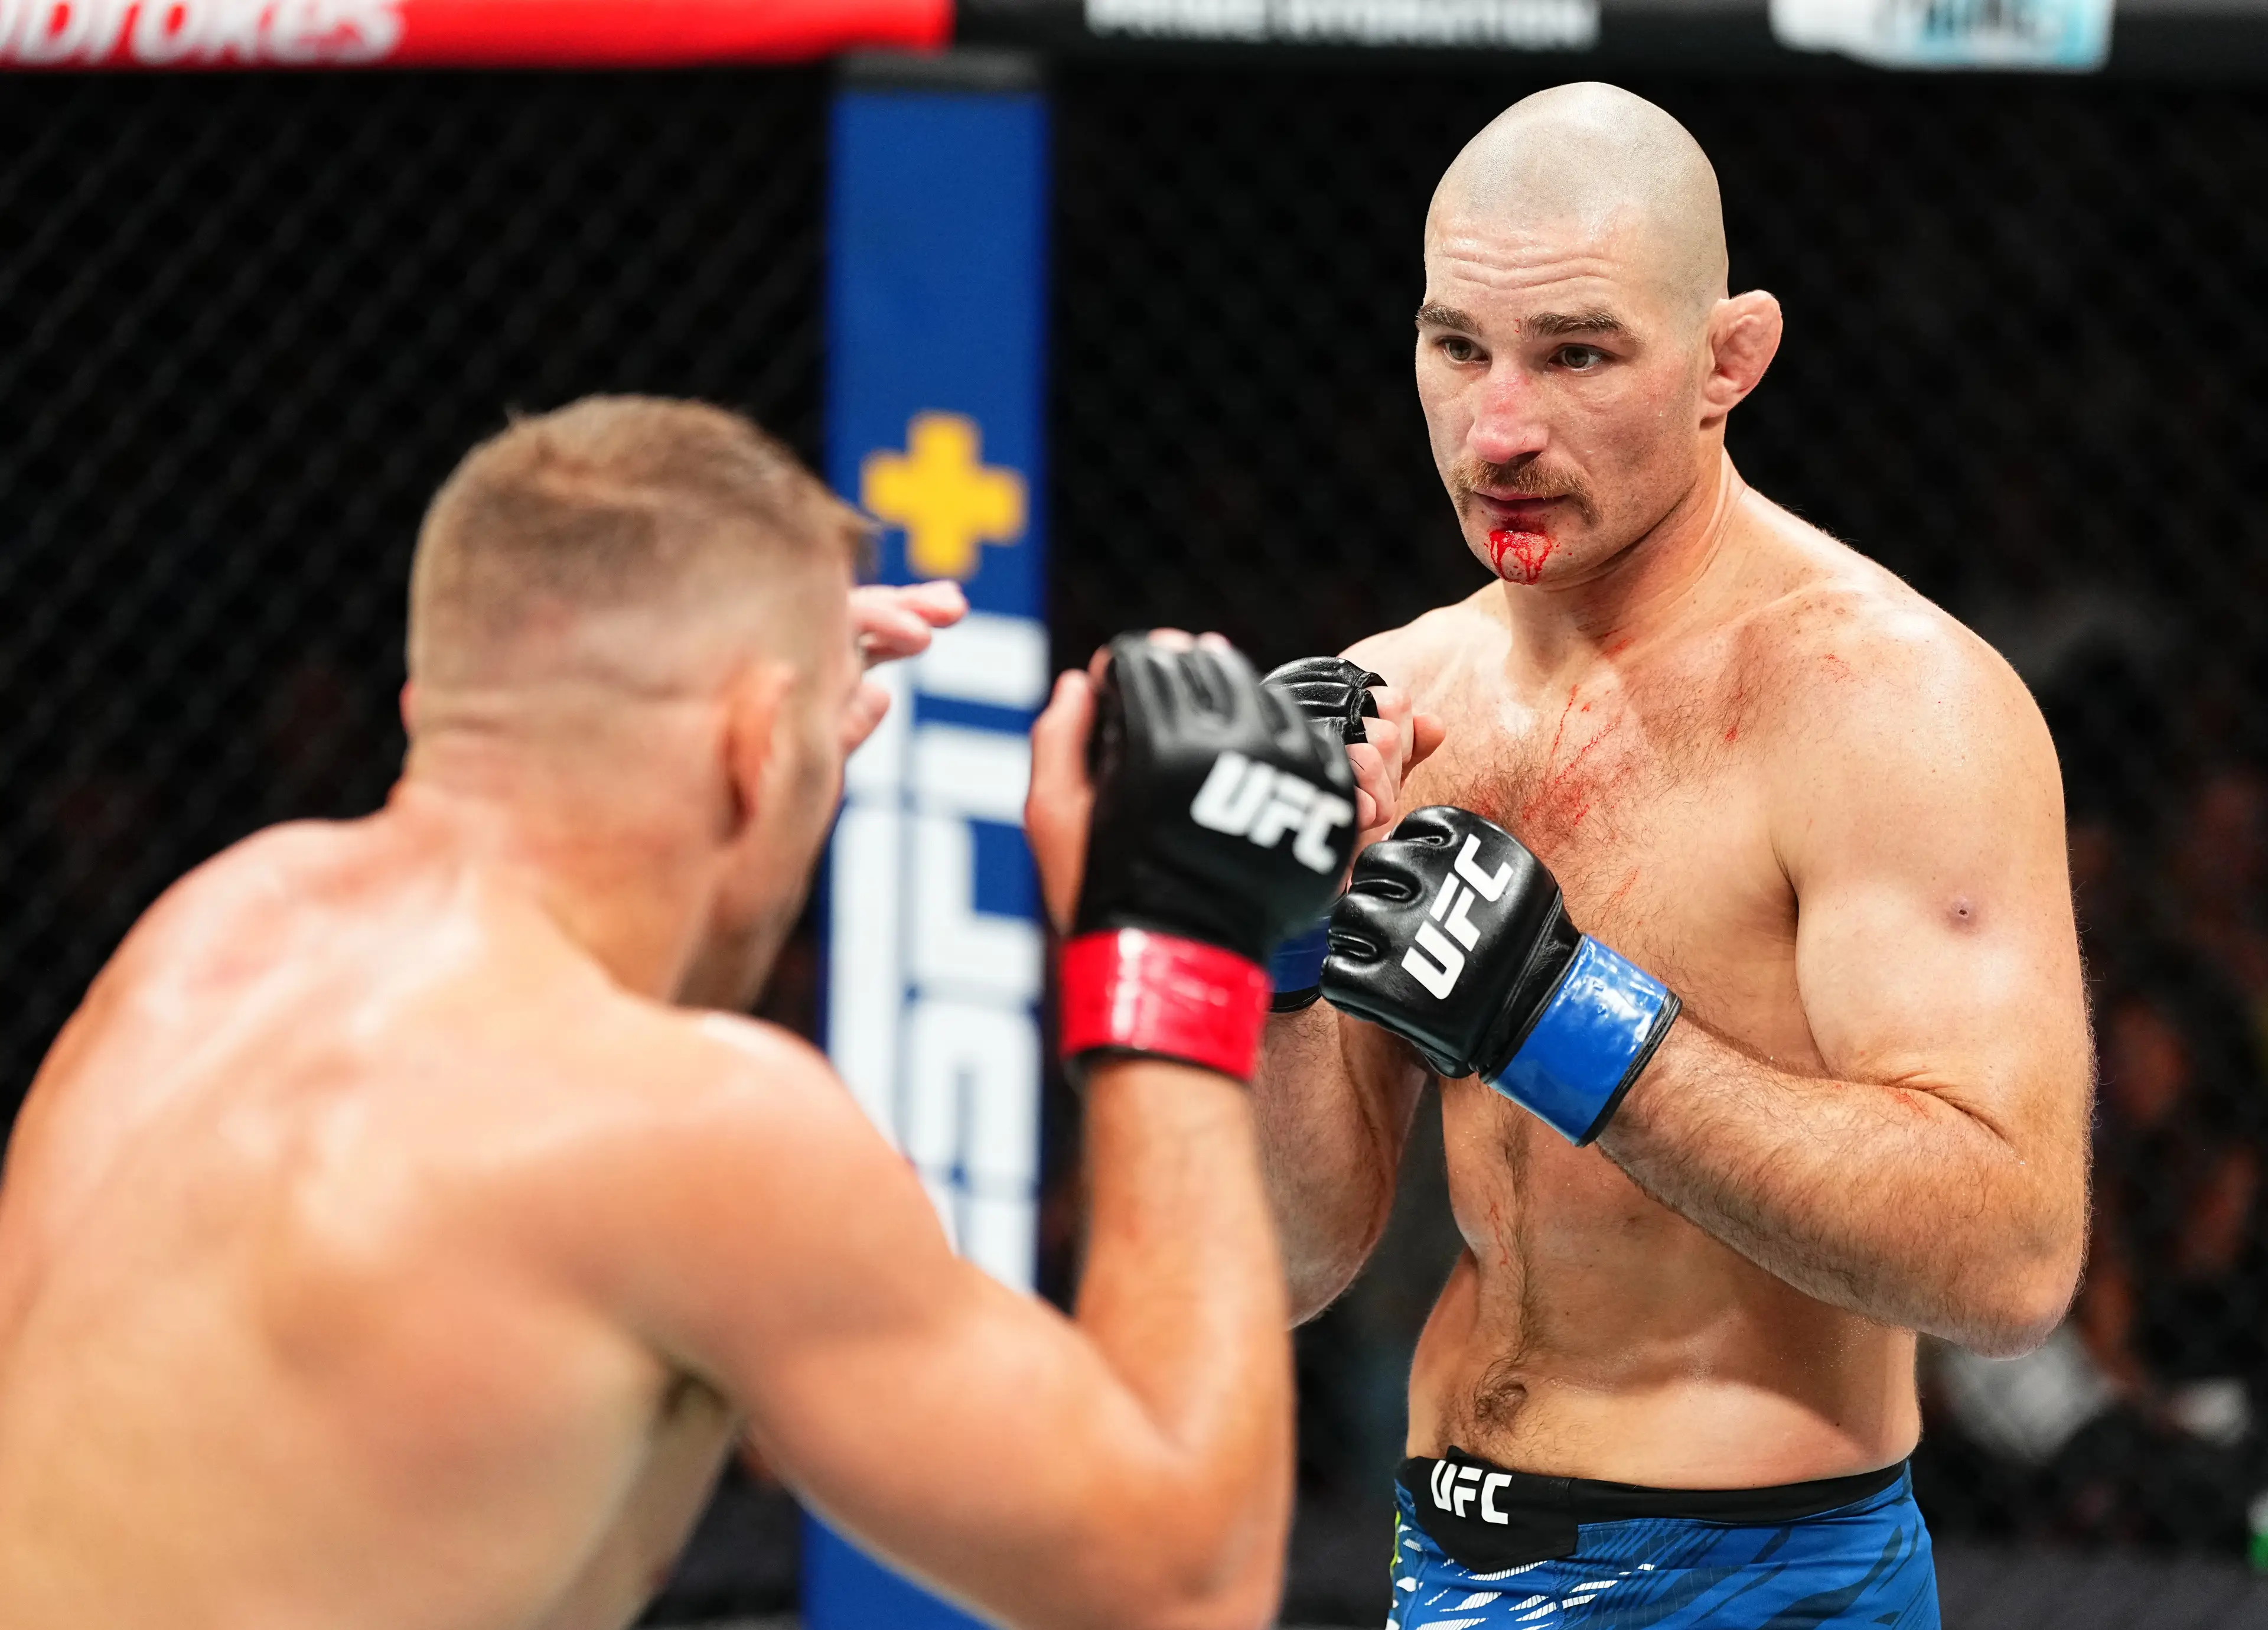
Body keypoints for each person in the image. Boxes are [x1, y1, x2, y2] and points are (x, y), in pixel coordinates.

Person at [0, 395, 1351, 1630]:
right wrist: (1177, 927)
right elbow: (1183, 1585)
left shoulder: (213, 929)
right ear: (759, 750)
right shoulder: (691, 1132)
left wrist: (754, 768)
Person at [1253, 84, 2092, 1626]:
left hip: (1762, 1577)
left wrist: (1559, 1019)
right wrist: (1284, 964)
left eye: (1577, 353)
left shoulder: (1888, 703)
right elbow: (1296, 1264)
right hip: (1436, 1554)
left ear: (1729, 359)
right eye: (1460, 350)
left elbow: (2009, 1251)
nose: (1500, 427)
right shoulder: (1400, 698)